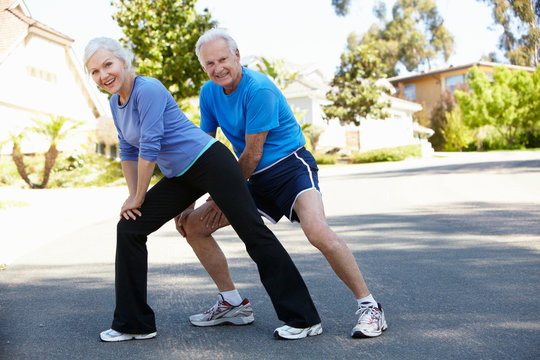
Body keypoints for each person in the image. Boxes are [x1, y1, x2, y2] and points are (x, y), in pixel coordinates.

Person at [84, 37, 322, 342]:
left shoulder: (148, 89)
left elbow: (150, 147)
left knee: (252, 232)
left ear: (123, 61)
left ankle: (304, 318)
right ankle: (134, 323)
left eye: (107, 64)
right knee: (130, 228)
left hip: (211, 162)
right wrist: (133, 198)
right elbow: (129, 150)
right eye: (94, 71)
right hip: (182, 174)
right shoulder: (115, 104)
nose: (103, 75)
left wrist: (140, 195)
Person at [176, 28, 387, 339]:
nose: (217, 68)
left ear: (237, 55)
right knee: (193, 226)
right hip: (251, 178)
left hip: (289, 168)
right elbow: (203, 148)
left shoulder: (258, 89)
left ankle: (369, 307)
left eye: (223, 59)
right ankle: (232, 304)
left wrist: (223, 195)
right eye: (209, 63)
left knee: (317, 231)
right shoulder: (209, 93)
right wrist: (188, 202)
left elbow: (253, 152)